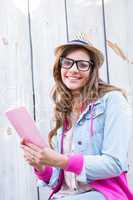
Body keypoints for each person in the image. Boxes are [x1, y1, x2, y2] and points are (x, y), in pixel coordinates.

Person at [20, 39, 133, 200]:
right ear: (60, 67)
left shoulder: (112, 100)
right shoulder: (63, 111)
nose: (73, 69)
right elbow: (58, 182)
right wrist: (40, 165)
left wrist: (61, 160)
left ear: (92, 70)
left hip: (103, 195)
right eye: (67, 63)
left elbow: (115, 164)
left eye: (82, 64)